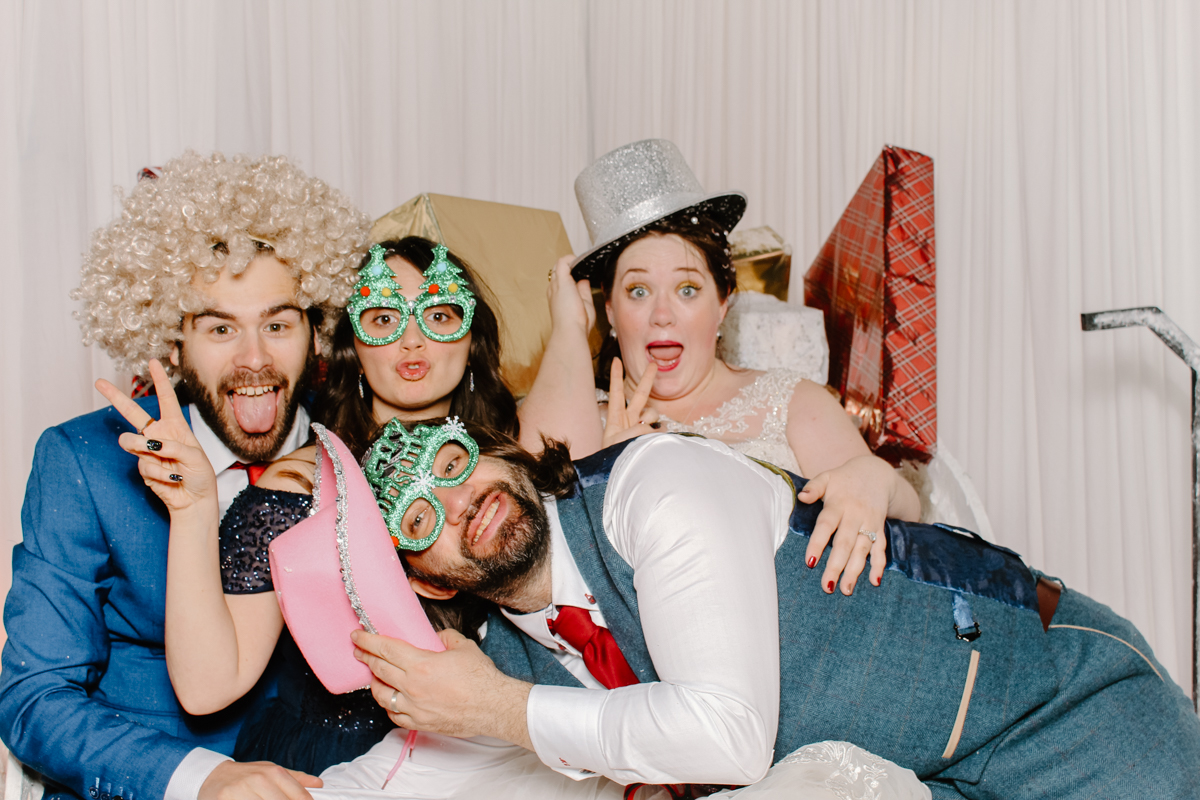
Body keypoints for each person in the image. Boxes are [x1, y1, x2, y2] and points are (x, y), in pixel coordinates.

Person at [346, 415, 1200, 800]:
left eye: (455, 461)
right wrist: (221, 780)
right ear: (429, 580)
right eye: (421, 516)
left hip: (1053, 706)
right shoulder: (500, 659)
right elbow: (403, 777)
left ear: (503, 451)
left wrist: (503, 712)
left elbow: (728, 734)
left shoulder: (651, 484)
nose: (460, 501)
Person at [0, 151, 369, 800]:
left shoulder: (351, 450)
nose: (254, 359)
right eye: (220, 327)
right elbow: (34, 699)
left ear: (316, 331)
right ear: (172, 342)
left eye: (278, 324)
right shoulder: (85, 461)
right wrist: (203, 781)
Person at [158, 236, 518, 775]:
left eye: (440, 314)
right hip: (333, 765)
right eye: (383, 318)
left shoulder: (509, 460)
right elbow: (208, 685)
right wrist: (192, 511)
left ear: (472, 337)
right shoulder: (301, 485)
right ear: (350, 345)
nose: (413, 341)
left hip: (498, 751)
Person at [534, 139, 921, 594]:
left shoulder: (790, 401)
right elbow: (537, 521)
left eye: (687, 289)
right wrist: (567, 330)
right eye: (638, 291)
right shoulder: (582, 420)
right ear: (611, 313)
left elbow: (907, 510)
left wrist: (875, 477)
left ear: (723, 305)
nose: (662, 314)